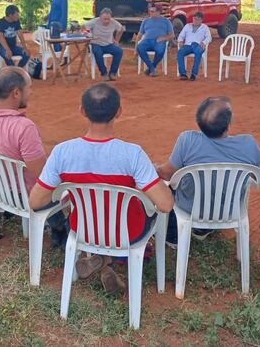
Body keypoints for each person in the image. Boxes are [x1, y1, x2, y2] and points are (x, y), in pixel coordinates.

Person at [29, 84, 174, 294]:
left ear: (82, 111)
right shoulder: (132, 154)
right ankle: (107, 259)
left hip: (84, 230)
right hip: (128, 232)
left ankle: (100, 258)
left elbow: (35, 202)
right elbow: (166, 204)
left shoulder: (62, 152)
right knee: (150, 211)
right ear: (119, 112)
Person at [0, 67, 69, 247]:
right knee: (68, 186)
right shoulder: (24, 128)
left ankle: (58, 229)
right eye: (29, 88)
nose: (31, 92)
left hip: (2, 193)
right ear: (16, 93)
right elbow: (42, 177)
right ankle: (62, 230)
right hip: (29, 197)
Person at [156, 96, 260, 245]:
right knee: (217, 187)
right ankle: (202, 230)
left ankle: (173, 236)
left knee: (171, 188)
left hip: (191, 208)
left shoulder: (188, 140)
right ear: (228, 124)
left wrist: (154, 167)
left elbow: (166, 173)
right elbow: (256, 177)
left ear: (199, 123)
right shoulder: (249, 144)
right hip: (229, 209)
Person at [85, 8, 124, 81]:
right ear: (100, 17)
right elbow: (84, 27)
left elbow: (121, 29)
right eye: (104, 19)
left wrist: (116, 40)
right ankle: (104, 73)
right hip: (96, 44)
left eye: (108, 19)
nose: (106, 21)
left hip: (108, 44)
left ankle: (112, 73)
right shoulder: (94, 21)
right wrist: (88, 34)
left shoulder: (114, 22)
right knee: (97, 52)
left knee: (119, 51)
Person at [136, 5, 174, 77]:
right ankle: (152, 68)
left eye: (152, 11)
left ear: (159, 12)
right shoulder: (145, 21)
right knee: (140, 47)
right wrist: (135, 48)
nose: (150, 13)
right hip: (147, 40)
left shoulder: (166, 21)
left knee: (160, 51)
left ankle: (151, 68)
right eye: (149, 11)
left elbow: (172, 35)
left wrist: (163, 38)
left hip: (159, 41)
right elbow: (139, 34)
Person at [176, 12, 212, 81]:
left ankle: (194, 74)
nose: (195, 21)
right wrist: (180, 41)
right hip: (188, 45)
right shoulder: (187, 26)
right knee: (180, 52)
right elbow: (181, 35)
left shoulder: (204, 27)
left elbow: (209, 37)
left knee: (198, 52)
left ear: (201, 20)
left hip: (198, 45)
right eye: (194, 19)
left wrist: (204, 42)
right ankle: (183, 73)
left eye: (198, 19)